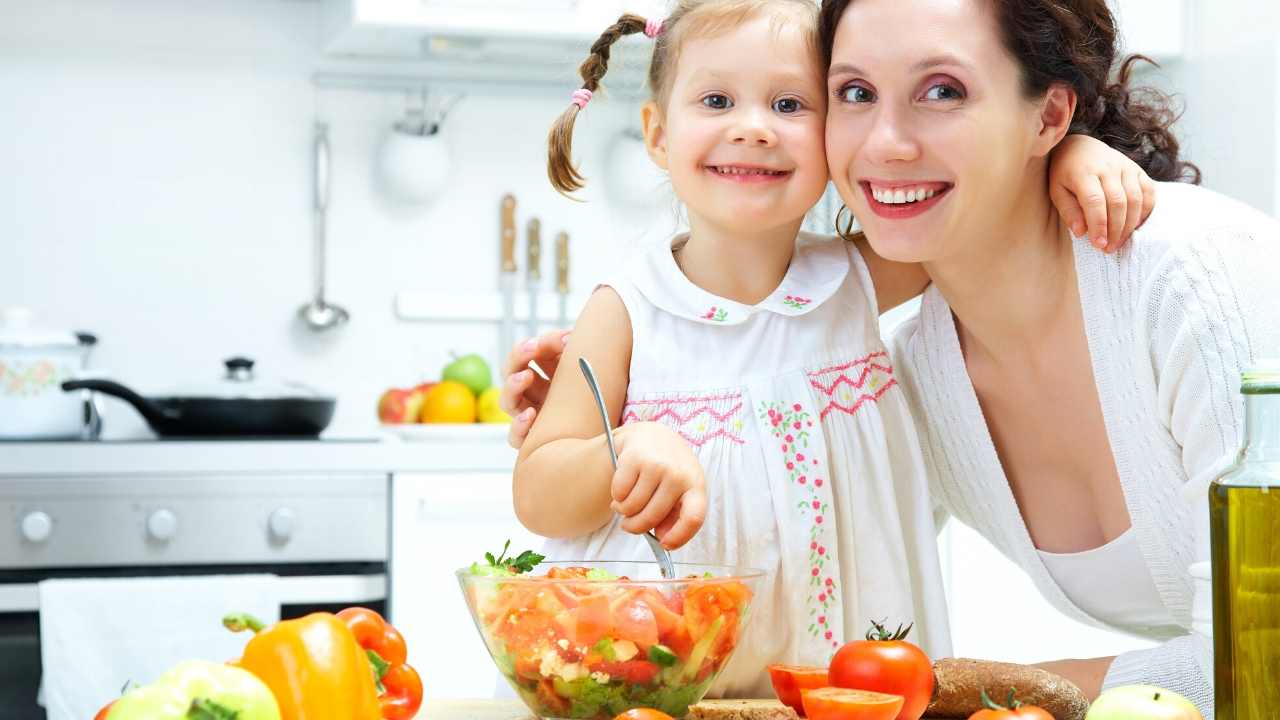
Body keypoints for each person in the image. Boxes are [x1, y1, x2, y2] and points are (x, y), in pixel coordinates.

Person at [510, 0, 1158, 699]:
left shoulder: (858, 276)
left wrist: (1066, 154)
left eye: (790, 104)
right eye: (717, 100)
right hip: (661, 685)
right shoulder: (629, 308)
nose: (753, 128)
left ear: (833, 137)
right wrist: (625, 449)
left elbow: (990, 207)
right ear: (660, 136)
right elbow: (538, 494)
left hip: (844, 681)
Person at [819, 0, 1280, 712]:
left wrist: (977, 688)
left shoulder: (1195, 278)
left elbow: (1260, 652)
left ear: (1048, 117)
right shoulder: (913, 371)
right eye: (854, 93)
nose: (886, 142)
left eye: (943, 91)